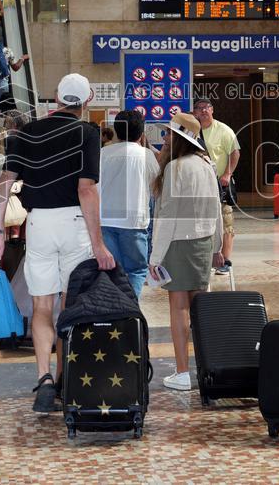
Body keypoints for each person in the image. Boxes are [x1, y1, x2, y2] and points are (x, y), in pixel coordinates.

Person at [0, 73, 115, 414]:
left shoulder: (24, 133)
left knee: (42, 307)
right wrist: (98, 244)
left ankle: (44, 378)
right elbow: (86, 189)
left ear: (56, 98)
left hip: (39, 222)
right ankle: (65, 381)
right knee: (69, 305)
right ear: (87, 101)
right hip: (74, 224)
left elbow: (4, 184)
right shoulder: (87, 133)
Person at [149, 112, 224, 391]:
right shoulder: (206, 164)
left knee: (178, 307)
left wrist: (156, 257)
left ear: (180, 139)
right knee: (200, 310)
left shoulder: (175, 168)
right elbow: (216, 206)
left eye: (169, 134)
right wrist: (217, 246)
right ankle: (208, 369)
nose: (165, 138)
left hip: (179, 242)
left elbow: (167, 216)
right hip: (204, 241)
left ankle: (182, 373)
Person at [99, 110, 160, 298]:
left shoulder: (102, 153)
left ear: (116, 131)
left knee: (112, 272)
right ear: (142, 133)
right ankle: (131, 313)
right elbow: (155, 187)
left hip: (105, 220)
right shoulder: (147, 155)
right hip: (135, 222)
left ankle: (116, 311)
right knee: (136, 271)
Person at [192, 99, 240, 276]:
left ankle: (225, 261)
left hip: (220, 184)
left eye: (207, 108)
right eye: (199, 108)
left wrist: (228, 174)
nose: (203, 111)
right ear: (194, 111)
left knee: (225, 221)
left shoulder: (223, 130)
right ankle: (206, 258)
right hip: (199, 186)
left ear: (212, 110)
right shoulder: (192, 130)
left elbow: (235, 152)